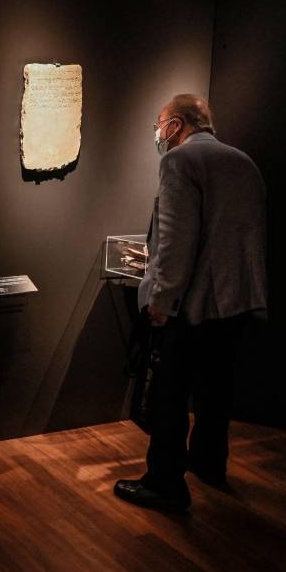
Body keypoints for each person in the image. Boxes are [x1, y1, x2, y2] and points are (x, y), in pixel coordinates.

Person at [114, 94, 267, 511]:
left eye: (160, 125)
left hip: (192, 303)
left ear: (177, 124)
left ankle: (165, 483)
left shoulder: (179, 162)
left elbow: (176, 242)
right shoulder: (244, 163)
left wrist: (162, 300)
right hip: (235, 301)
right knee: (216, 390)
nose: (159, 134)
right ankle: (209, 462)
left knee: (169, 394)